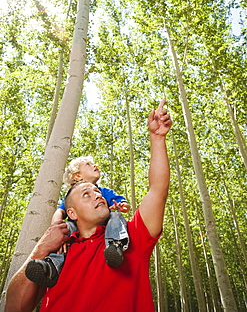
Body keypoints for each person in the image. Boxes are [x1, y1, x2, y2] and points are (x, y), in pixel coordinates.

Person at [5, 99, 172, 312]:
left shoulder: (132, 239)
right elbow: (13, 307)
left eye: (97, 192)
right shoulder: (58, 252)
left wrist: (157, 139)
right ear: (71, 212)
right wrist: (41, 248)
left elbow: (157, 189)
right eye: (86, 194)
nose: (97, 196)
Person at [25, 156, 131, 287]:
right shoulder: (72, 197)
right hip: (76, 228)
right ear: (77, 176)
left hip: (105, 226)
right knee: (67, 228)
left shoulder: (104, 192)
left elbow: (123, 203)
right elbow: (60, 212)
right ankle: (51, 266)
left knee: (115, 217)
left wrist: (122, 207)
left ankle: (115, 246)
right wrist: (57, 231)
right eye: (88, 164)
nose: (94, 165)